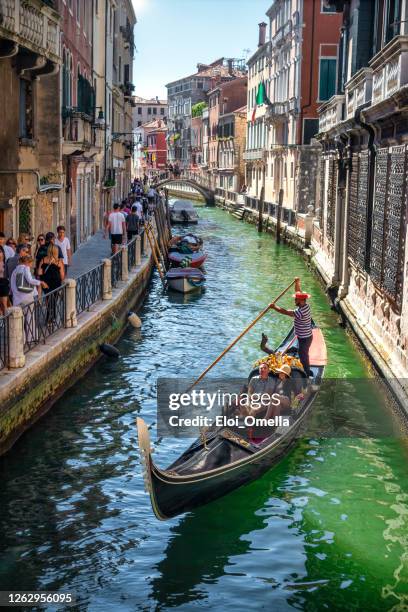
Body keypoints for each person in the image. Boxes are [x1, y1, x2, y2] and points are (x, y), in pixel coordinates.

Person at [269, 277, 313, 376]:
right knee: (302, 352)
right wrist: (297, 283)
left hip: (304, 338)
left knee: (303, 357)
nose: (294, 300)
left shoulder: (300, 312)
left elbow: (285, 312)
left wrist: (274, 307)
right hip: (304, 336)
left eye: (296, 299)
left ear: (300, 300)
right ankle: (298, 353)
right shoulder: (305, 305)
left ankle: (306, 374)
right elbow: (298, 291)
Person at [0, 243, 9, 315]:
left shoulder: (5, 262)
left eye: (0, 252)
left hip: (4, 283)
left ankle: (6, 321)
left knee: (4, 303)